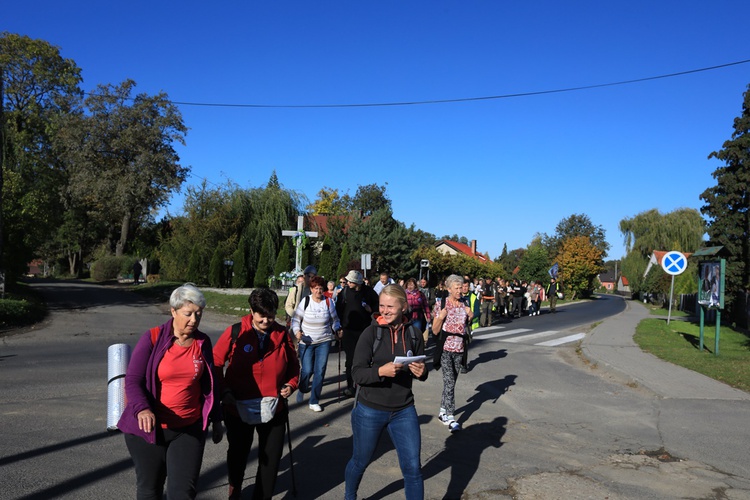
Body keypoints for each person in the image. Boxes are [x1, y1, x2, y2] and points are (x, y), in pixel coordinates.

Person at [118, 283, 221, 500]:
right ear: (173, 311)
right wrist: (143, 409)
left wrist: (216, 418)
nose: (194, 320)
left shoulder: (203, 342)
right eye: (188, 313)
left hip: (188, 428)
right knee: (150, 489)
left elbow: (210, 385)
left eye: (199, 314)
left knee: (183, 493)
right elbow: (133, 380)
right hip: (150, 428)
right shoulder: (153, 337)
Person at [213, 288, 300, 500]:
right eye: (262, 315)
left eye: (271, 315)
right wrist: (224, 390)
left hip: (274, 406)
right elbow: (215, 364)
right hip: (238, 406)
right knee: (238, 455)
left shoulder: (281, 334)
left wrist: (291, 384)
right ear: (252, 311)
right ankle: (235, 490)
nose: (267, 320)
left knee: (270, 458)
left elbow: (293, 366)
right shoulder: (235, 332)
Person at [345, 284, 428, 500]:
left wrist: (422, 372)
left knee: (413, 469)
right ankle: (349, 496)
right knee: (360, 461)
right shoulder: (370, 333)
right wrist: (380, 371)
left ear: (403, 307)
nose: (385, 310)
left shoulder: (414, 333)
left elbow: (421, 367)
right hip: (370, 409)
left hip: (404, 410)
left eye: (390, 306)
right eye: (382, 306)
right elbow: (357, 373)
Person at [292, 275, 342, 411]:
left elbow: (335, 320)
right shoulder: (305, 301)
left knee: (320, 371)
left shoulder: (328, 302)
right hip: (306, 341)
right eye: (315, 289)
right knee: (307, 370)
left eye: (320, 289)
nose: (318, 291)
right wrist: (297, 332)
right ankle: (302, 388)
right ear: (311, 289)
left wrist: (337, 329)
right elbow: (296, 320)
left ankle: (314, 401)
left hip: (324, 341)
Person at [431, 274, 472, 433]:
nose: (460, 290)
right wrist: (440, 317)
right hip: (446, 349)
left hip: (460, 348)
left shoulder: (465, 303)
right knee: (449, 382)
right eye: (457, 288)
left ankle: (442, 411)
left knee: (451, 382)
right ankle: (450, 417)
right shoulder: (441, 304)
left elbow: (467, 324)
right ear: (448, 289)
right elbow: (435, 331)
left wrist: (470, 315)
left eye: (461, 287)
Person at [335, 270, 379, 398]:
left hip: (365, 330)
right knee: (350, 360)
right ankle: (350, 386)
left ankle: (363, 385)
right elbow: (338, 309)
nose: (347, 283)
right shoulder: (345, 292)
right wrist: (339, 327)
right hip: (348, 330)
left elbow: (378, 307)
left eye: (350, 281)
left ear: (357, 282)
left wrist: (371, 310)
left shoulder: (368, 292)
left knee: (365, 358)